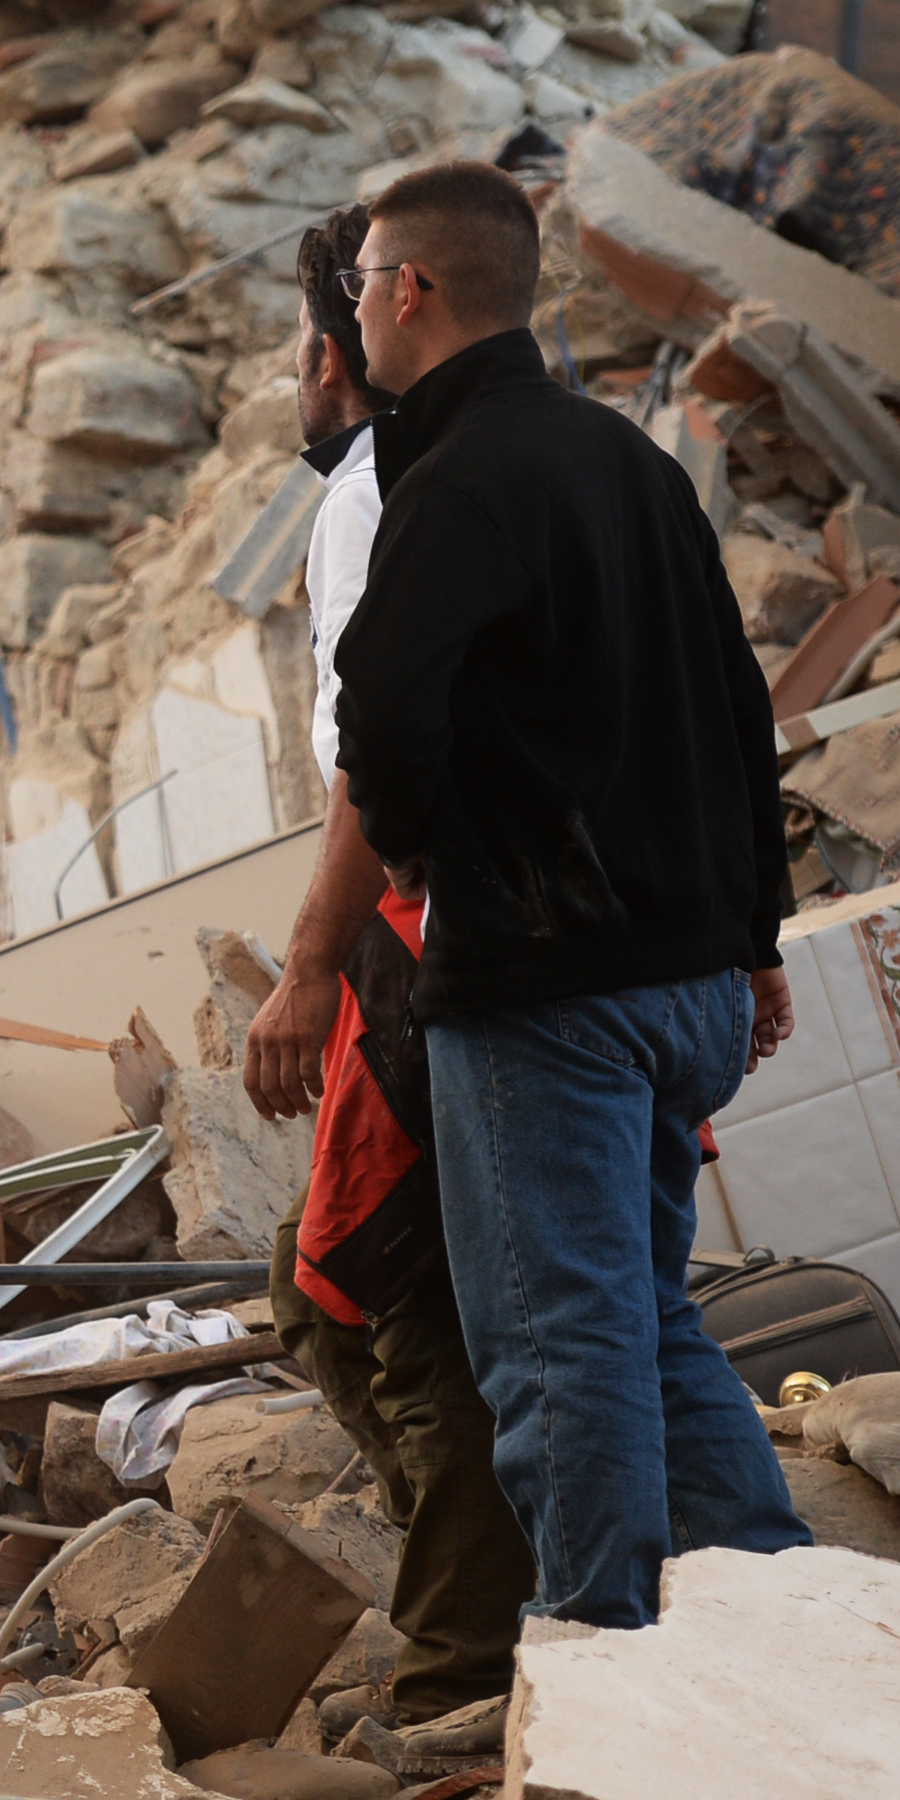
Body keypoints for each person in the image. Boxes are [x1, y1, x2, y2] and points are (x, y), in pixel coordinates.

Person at [324, 159, 811, 1629]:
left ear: (409, 290)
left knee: (556, 1349)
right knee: (645, 1322)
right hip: (687, 987)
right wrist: (755, 938)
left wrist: (416, 854)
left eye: (358, 286)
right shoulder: (633, 466)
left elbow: (383, 714)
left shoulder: (458, 478)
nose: (353, 315)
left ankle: (608, 1664)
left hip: (551, 994)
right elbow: (740, 715)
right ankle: (780, 1633)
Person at [235, 206, 534, 1722]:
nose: (295, 373)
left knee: (385, 1295)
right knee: (359, 1288)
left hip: (424, 940)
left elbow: (378, 758)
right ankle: (482, 1594)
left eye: (305, 343)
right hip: (472, 934)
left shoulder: (373, 495)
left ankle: (463, 1659)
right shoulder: (510, 471)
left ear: (349, 346)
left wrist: (313, 963)